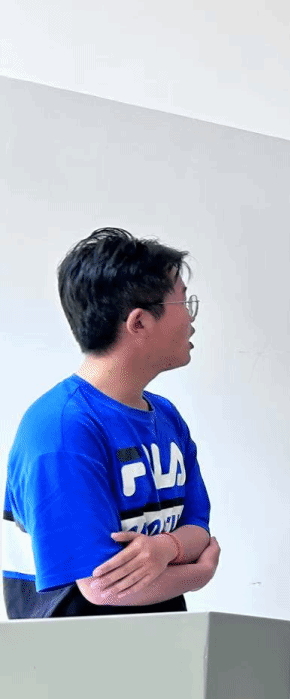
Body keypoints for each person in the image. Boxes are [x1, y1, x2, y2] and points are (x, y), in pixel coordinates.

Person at [2, 228, 220, 618]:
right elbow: (104, 587)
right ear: (139, 322)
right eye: (184, 301)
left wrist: (165, 548)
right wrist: (198, 574)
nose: (191, 318)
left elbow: (199, 531)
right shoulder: (62, 429)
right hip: (77, 652)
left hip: (159, 640)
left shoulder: (167, 416)